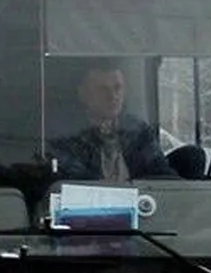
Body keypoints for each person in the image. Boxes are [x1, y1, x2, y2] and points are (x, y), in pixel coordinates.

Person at [46, 58, 177, 183]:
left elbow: (161, 174)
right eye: (103, 90)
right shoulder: (66, 136)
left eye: (118, 88)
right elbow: (78, 184)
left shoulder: (137, 130)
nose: (112, 96)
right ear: (83, 94)